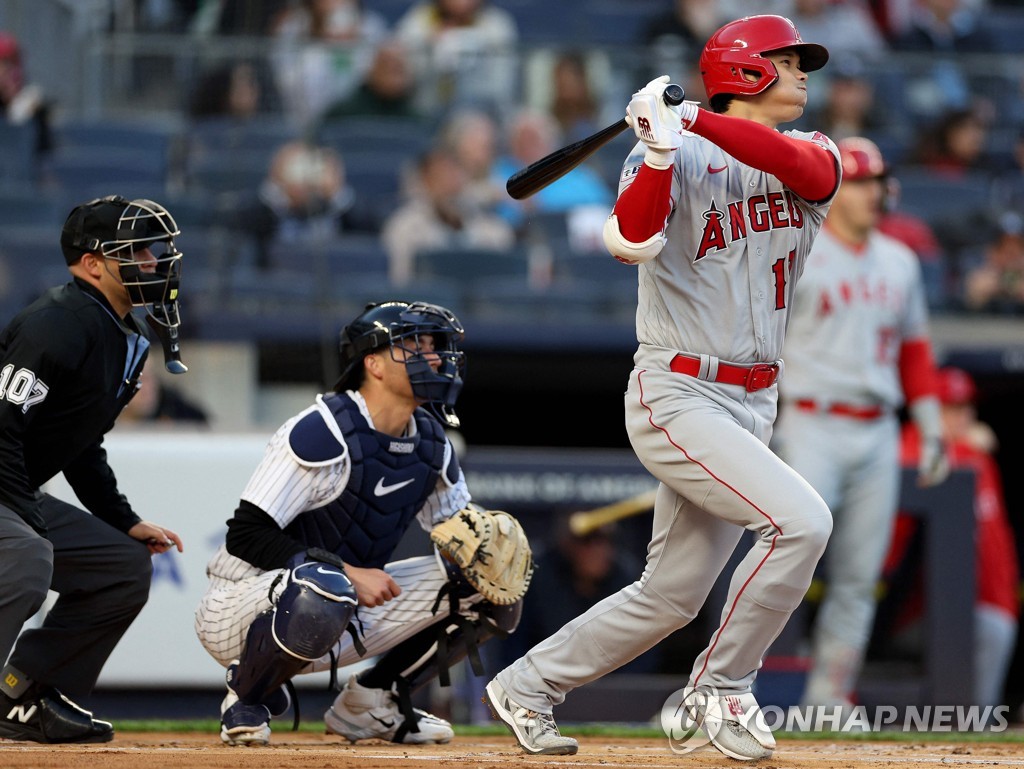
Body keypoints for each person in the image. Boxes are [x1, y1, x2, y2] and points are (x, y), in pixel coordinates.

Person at [485, 14, 840, 760]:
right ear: (746, 70)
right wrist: (656, 148)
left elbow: (806, 173)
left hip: (755, 400)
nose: (805, 71)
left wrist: (691, 118)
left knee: (671, 595)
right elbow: (628, 242)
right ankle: (724, 686)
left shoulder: (814, 149)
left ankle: (526, 684)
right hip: (678, 389)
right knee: (802, 522)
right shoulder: (671, 153)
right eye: (788, 60)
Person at [194, 300, 526, 747]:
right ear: (373, 363)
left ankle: (372, 701)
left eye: (435, 345)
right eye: (415, 344)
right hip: (240, 611)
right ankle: (248, 695)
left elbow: (459, 535)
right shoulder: (322, 430)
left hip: (338, 609)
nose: (433, 356)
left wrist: (486, 540)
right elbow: (246, 534)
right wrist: (349, 572)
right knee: (327, 584)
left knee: (491, 582)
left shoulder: (431, 442)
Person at [770, 136, 949, 713]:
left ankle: (828, 697)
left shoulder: (899, 261)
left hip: (877, 429)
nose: (875, 192)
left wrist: (931, 425)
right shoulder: (801, 248)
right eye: (863, 181)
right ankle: (730, 689)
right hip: (810, 421)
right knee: (782, 561)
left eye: (878, 181)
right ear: (837, 187)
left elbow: (915, 352)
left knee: (857, 577)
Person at [0, 195, 186, 743]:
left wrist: (121, 519)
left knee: (122, 565)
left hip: (9, 488)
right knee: (25, 552)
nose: (155, 264)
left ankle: (22, 693)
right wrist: (26, 521)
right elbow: (1, 429)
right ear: (93, 263)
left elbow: (81, 442)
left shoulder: (126, 333)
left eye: (156, 252)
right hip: (4, 480)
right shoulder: (56, 324)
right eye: (140, 253)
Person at [893, 366, 1019, 711]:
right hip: (904, 610)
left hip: (969, 607)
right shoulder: (909, 444)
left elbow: (999, 543)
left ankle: (976, 736)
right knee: (992, 630)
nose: (964, 416)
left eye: (967, 408)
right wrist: (960, 449)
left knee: (995, 626)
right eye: (952, 408)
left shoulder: (979, 459)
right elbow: (909, 457)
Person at [381, 146, 515, 287]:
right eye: (440, 176)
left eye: (456, 174)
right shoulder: (403, 228)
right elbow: (401, 282)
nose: (450, 184)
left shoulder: (493, 230)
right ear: (425, 181)